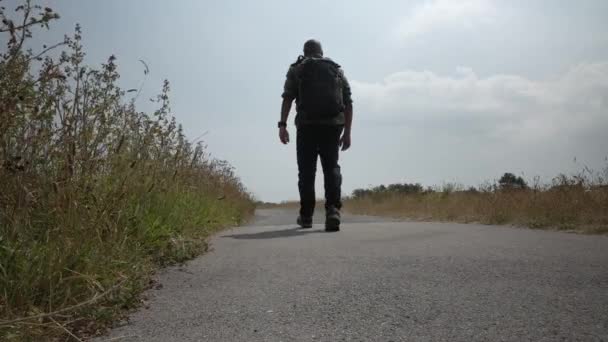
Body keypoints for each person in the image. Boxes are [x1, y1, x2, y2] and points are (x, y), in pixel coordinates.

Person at [278, 39, 353, 232]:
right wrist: (347, 133)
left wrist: (282, 125)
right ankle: (333, 211)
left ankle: (306, 216)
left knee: (306, 171)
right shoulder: (336, 70)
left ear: (304, 51)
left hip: (306, 126)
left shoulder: (297, 69)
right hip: (332, 126)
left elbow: (287, 97)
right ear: (321, 52)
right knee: (331, 168)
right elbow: (348, 102)